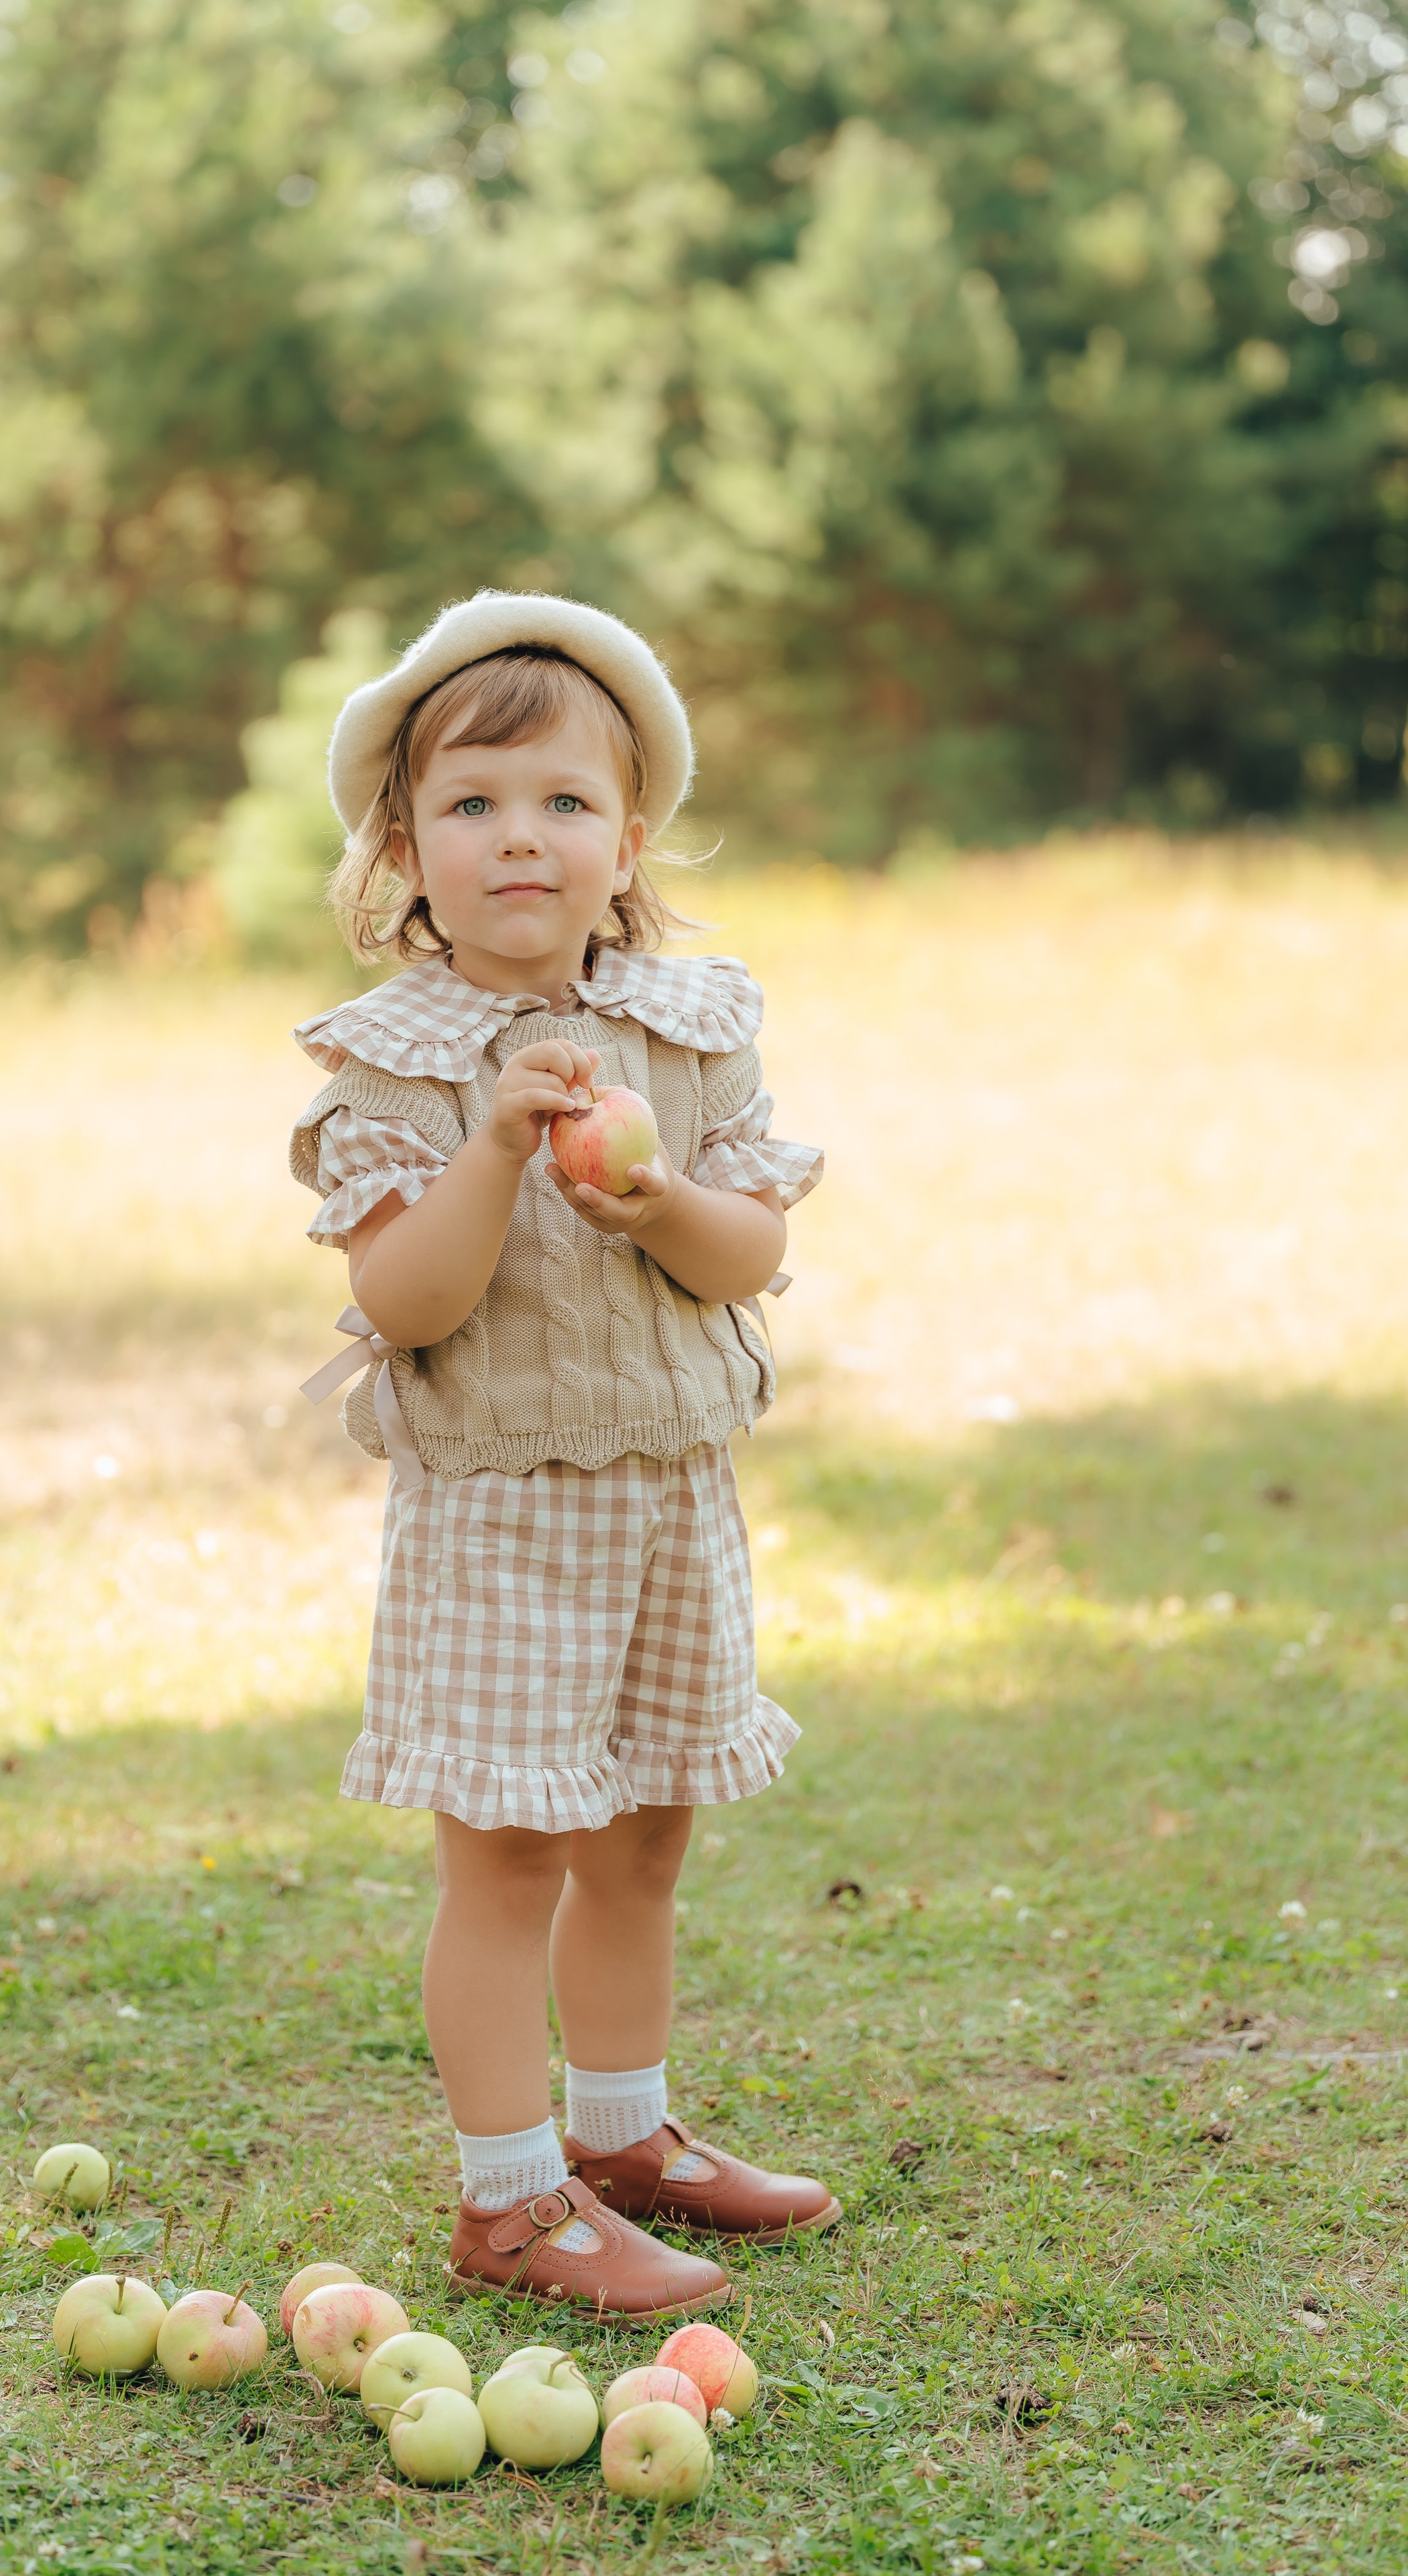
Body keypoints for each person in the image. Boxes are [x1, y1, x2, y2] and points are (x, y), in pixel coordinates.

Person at [289, 592, 835, 2316]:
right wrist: (500, 1153)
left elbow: (748, 1254)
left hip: (674, 1497)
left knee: (646, 1839)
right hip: (504, 1517)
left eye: (560, 802)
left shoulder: (686, 1029)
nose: (517, 836)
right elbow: (410, 1296)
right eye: (470, 803)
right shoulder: (389, 1063)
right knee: (507, 1857)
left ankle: (621, 2136)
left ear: (627, 837)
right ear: (403, 846)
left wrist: (657, 1188)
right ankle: (509, 2201)